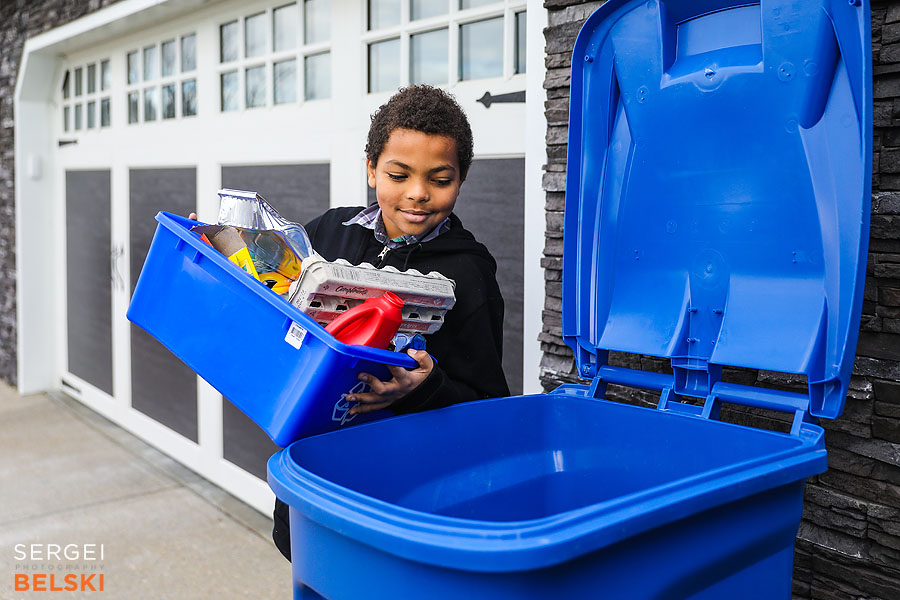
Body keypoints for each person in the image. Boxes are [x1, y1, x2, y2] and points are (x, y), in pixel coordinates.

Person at [272, 85, 509, 560]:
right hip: (313, 466)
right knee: (314, 573)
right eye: (398, 175)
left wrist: (422, 388)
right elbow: (273, 290)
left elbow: (488, 408)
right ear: (371, 169)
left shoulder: (468, 272)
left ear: (461, 180)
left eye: (439, 179)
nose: (417, 194)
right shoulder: (328, 232)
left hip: (398, 491)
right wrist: (226, 251)